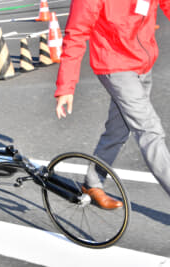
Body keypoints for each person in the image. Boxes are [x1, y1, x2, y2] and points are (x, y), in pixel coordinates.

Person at [55, 0, 170, 209]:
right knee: (150, 132)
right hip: (115, 66)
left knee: (120, 129)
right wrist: (66, 86)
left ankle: (92, 182)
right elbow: (76, 34)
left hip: (143, 63)